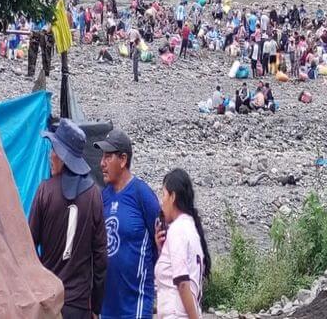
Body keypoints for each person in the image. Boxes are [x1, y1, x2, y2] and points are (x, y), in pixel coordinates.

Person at [29, 120, 107, 319]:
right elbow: (100, 258)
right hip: (80, 305)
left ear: (62, 157)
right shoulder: (93, 195)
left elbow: (28, 247)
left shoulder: (45, 191)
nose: (50, 155)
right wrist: (96, 306)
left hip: (50, 303)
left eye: (53, 150)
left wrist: (41, 285)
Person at [94, 130, 161, 319]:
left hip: (135, 304)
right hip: (107, 305)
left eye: (108, 157)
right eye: (102, 157)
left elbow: (162, 244)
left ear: (123, 160)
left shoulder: (142, 195)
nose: (102, 163)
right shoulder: (102, 198)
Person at [155, 169, 210, 319]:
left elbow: (182, 281)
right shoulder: (190, 228)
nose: (162, 201)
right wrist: (162, 250)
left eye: (163, 194)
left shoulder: (178, 230)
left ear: (172, 197)